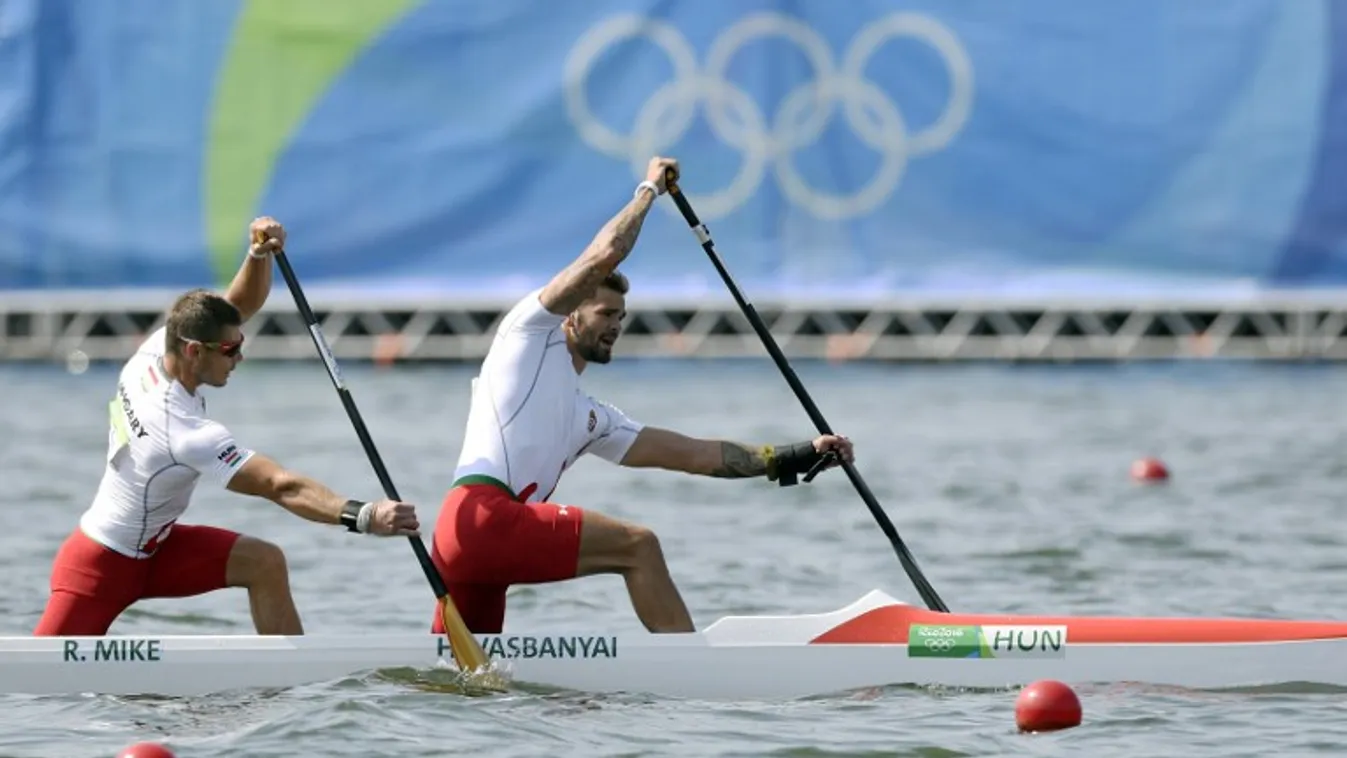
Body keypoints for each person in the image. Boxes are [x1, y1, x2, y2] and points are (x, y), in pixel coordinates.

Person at [431, 156, 856, 635]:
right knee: (639, 546)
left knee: (466, 684)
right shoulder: (528, 333)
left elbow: (693, 454)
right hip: (483, 516)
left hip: (460, 539)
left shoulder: (589, 418)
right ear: (571, 314)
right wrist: (649, 190)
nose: (615, 324)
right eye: (604, 312)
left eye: (621, 317)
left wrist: (794, 455)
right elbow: (606, 253)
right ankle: (693, 672)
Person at [33, 216, 421, 637]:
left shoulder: (155, 349)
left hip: (158, 550)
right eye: (231, 350)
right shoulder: (184, 431)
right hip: (100, 564)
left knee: (265, 562)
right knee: (33, 684)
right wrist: (363, 515)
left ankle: (286, 683)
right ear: (195, 352)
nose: (239, 358)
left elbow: (239, 306)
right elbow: (279, 485)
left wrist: (257, 254)